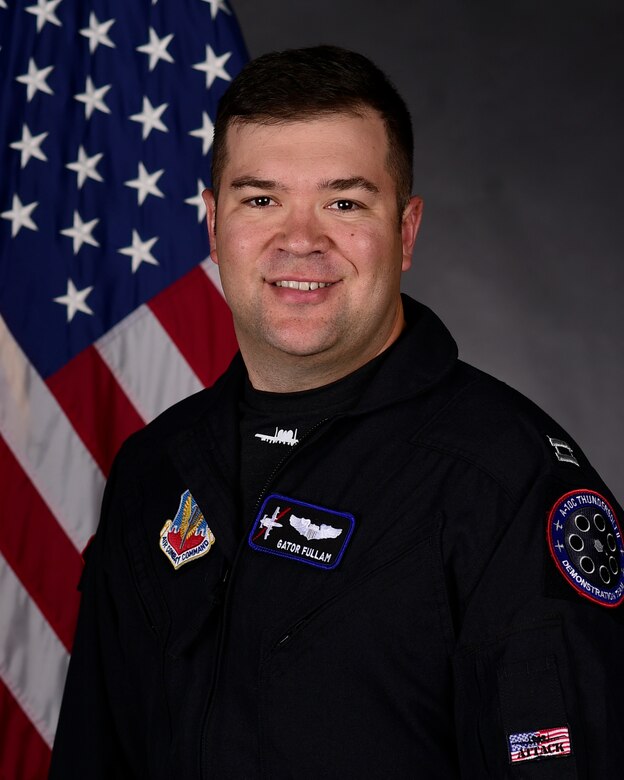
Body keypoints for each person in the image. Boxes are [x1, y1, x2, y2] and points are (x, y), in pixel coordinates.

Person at [50, 46, 624, 778]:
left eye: (344, 202)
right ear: (213, 224)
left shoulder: (506, 483)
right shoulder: (154, 469)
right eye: (261, 199)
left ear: (406, 231)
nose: (300, 240)